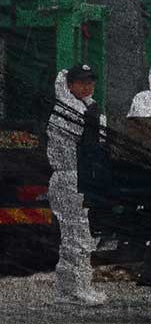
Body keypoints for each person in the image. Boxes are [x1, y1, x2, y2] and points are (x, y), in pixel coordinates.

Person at [46, 64, 108, 305]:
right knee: (77, 237)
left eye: (90, 81)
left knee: (77, 237)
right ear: (69, 85)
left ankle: (71, 288)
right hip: (70, 179)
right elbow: (89, 137)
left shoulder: (84, 107)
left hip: (77, 178)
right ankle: (75, 290)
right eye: (81, 82)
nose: (88, 85)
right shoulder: (67, 110)